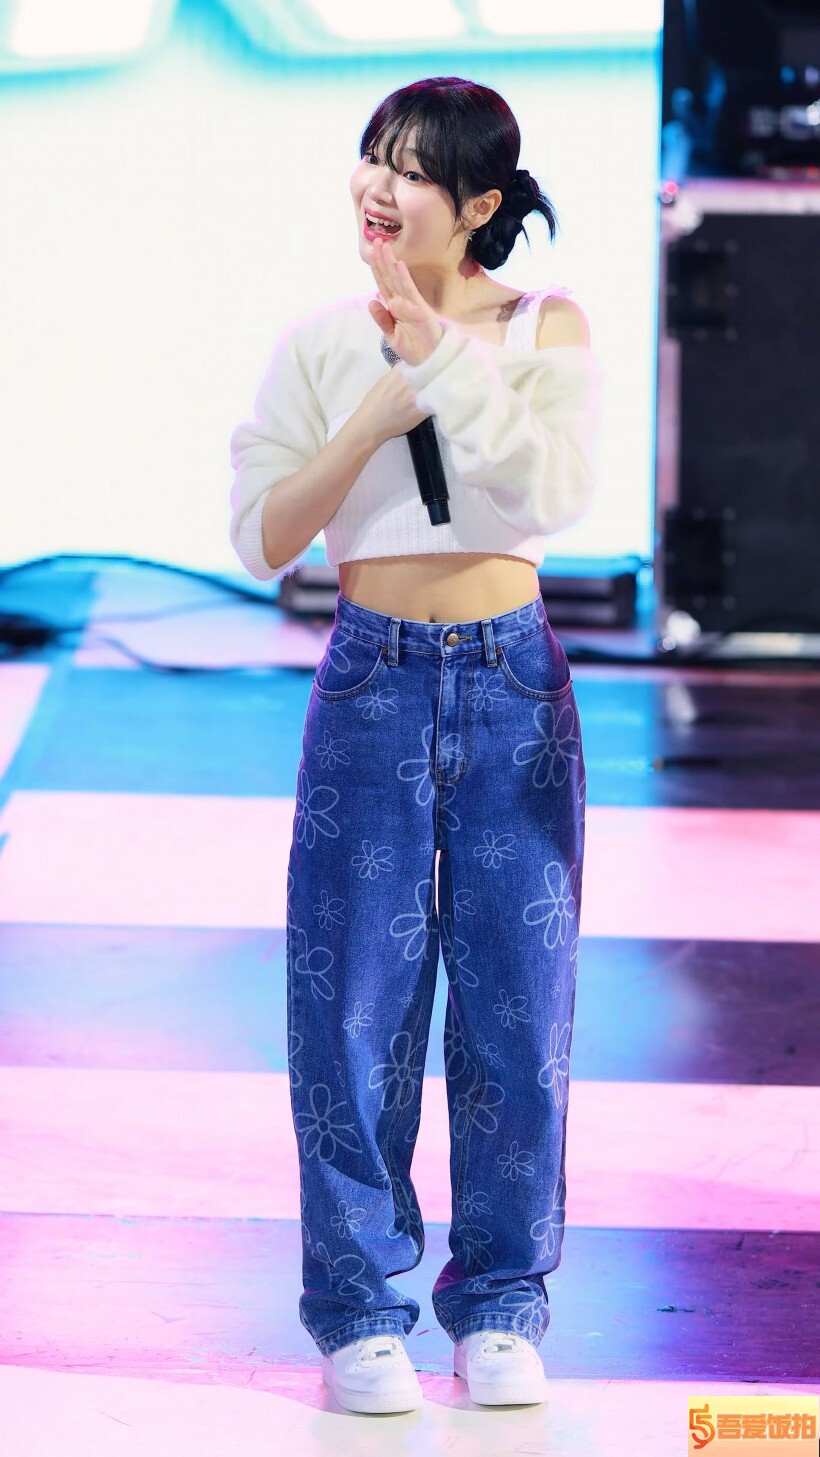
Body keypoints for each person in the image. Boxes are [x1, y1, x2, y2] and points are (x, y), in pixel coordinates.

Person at [229, 75, 601, 1416]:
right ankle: (358, 1311)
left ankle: (501, 1302)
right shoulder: (320, 345)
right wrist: (369, 420)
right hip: (372, 681)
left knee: (517, 1008)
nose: (380, 189)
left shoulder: (546, 325)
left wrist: (440, 356)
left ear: (481, 204)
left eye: (416, 172)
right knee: (352, 1008)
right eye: (373, 160)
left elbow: (546, 488)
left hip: (512, 685)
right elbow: (263, 534)